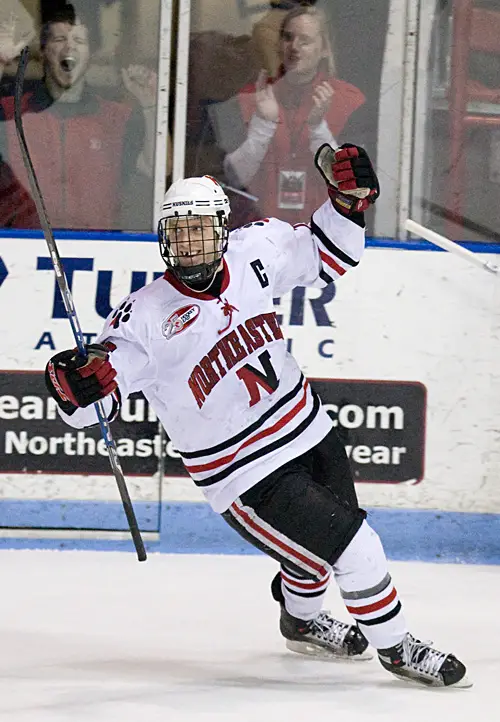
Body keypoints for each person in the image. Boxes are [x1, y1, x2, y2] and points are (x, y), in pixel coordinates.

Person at [44, 141, 469, 688]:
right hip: (243, 472)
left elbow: (328, 254)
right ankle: (398, 647)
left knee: (315, 557)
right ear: (164, 240)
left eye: (200, 229)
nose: (190, 244)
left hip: (307, 427)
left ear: (222, 228)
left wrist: (346, 203)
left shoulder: (255, 250)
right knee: (354, 545)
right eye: (178, 233)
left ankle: (301, 619)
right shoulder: (142, 318)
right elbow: (96, 405)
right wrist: (77, 386)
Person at [0, 5, 157, 230]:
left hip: (99, 251)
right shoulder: (10, 111)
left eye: (79, 41)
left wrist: (151, 104)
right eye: (59, 39)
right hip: (21, 252)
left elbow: (157, 167)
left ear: (91, 54)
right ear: (43, 51)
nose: (69, 47)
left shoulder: (117, 118)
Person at [223, 5, 365, 226]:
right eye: (288, 38)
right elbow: (232, 179)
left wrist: (318, 127)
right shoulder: (250, 99)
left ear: (325, 48)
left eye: (305, 40)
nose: (294, 47)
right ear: (279, 45)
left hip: (322, 234)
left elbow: (353, 187)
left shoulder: (349, 102)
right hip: (258, 232)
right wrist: (263, 125)